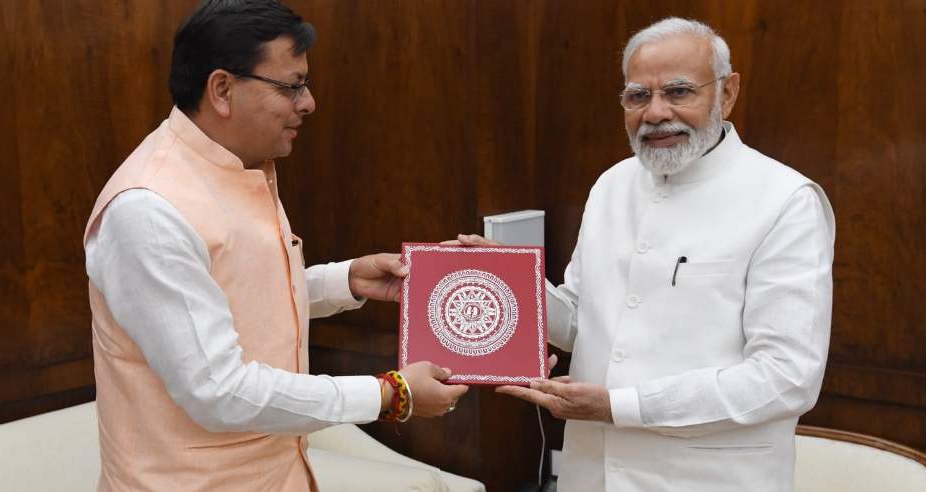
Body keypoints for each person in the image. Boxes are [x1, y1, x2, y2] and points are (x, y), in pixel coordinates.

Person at [83, 1, 466, 490]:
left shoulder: (239, 164)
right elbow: (218, 390)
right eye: (292, 86)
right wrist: (389, 394)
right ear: (222, 89)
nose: (309, 103)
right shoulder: (148, 211)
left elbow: (226, 297)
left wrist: (343, 282)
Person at [456, 17, 834, 492]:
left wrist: (620, 406)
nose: (655, 113)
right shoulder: (612, 184)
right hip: (591, 473)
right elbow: (581, 323)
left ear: (728, 92)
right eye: (638, 96)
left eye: (678, 92)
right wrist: (507, 281)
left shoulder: (784, 199)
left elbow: (786, 376)